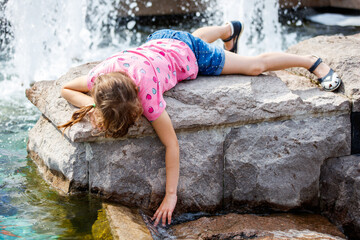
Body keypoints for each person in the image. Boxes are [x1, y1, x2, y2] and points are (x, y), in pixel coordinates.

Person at [58, 21, 342, 227]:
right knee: (188, 38)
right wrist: (94, 108)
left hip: (192, 55)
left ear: (137, 103)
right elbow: (67, 89)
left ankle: (311, 62)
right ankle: (226, 30)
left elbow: (171, 144)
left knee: (254, 66)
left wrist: (171, 195)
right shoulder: (101, 78)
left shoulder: (147, 94)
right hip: (163, 39)